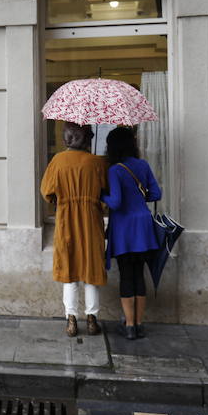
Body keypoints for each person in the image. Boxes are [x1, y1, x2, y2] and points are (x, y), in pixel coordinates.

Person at [41, 122, 107, 337]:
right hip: (91, 222)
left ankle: (71, 320)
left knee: (69, 272)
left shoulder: (58, 161)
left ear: (67, 139)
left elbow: (47, 192)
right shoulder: (96, 162)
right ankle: (92, 320)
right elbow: (106, 193)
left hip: (66, 221)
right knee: (91, 271)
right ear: (87, 139)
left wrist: (61, 200)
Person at [102, 126, 162, 341]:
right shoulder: (143, 165)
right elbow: (156, 193)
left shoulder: (115, 170)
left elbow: (116, 202)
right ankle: (138, 323)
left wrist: (102, 196)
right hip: (144, 228)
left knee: (126, 275)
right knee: (139, 275)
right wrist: (137, 200)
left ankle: (128, 326)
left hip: (125, 229)